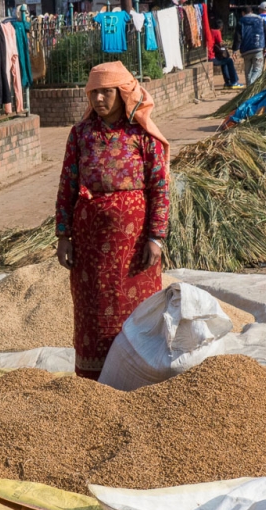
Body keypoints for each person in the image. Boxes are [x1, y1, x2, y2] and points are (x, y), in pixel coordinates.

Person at [55, 62, 169, 381]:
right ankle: (95, 383)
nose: (99, 99)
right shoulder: (80, 135)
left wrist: (156, 238)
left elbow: (160, 187)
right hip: (89, 242)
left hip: (133, 243)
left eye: (107, 92)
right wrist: (63, 235)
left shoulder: (142, 135)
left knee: (134, 309)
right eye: (94, 92)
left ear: (123, 94)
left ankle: (135, 376)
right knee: (92, 310)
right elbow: (67, 183)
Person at [232, 6, 266, 86]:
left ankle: (249, 90)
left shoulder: (241, 21)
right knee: (257, 70)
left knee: (247, 71)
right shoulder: (260, 19)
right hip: (258, 48)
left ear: (243, 13)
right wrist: (265, 46)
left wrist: (235, 50)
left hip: (246, 50)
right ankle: (251, 85)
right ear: (251, 11)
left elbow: (237, 37)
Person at [211, 19, 243, 89]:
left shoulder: (211, 31)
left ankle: (227, 82)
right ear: (221, 27)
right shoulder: (217, 32)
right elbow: (221, 44)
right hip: (212, 57)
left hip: (210, 56)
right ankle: (234, 81)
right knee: (229, 61)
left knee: (225, 61)